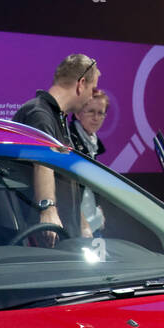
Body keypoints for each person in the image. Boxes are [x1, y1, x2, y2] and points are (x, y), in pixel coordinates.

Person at [13, 54, 101, 239]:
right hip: (43, 235)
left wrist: (83, 224)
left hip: (65, 235)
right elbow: (43, 163)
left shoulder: (58, 118)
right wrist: (48, 209)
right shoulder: (39, 114)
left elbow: (66, 182)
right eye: (92, 89)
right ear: (81, 83)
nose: (91, 97)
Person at [70, 89, 109, 235]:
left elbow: (89, 187)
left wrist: (97, 209)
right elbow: (67, 190)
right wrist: (83, 224)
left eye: (100, 113)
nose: (96, 117)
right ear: (78, 113)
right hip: (77, 225)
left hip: (93, 221)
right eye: (91, 111)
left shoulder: (93, 143)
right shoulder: (69, 141)